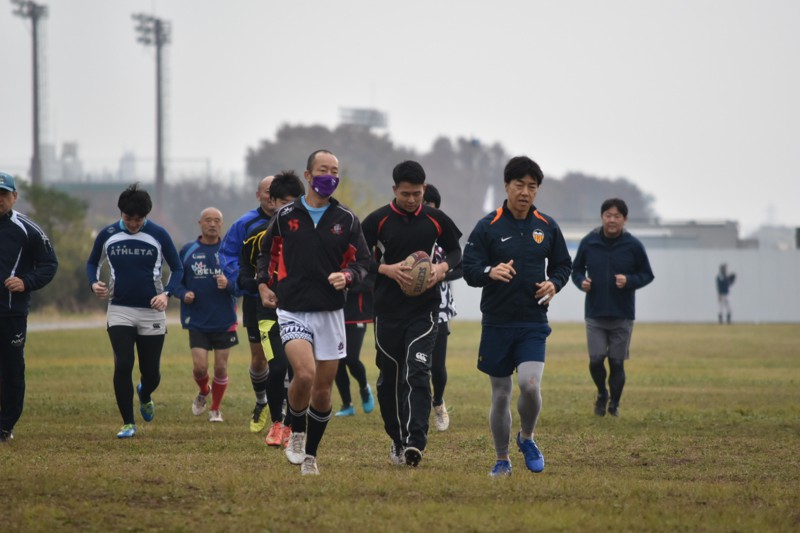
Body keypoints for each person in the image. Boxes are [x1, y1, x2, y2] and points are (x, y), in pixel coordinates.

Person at [256, 149, 371, 475]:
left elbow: (363, 264)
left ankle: (311, 455)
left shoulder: (346, 220)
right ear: (308, 176)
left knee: (322, 393)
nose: (330, 176)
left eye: (335, 170)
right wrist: (264, 285)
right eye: (323, 170)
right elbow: (266, 254)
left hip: (330, 313)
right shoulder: (285, 216)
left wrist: (348, 276)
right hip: (292, 310)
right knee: (303, 374)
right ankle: (296, 432)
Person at [463, 156, 572, 477]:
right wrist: (489, 270)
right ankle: (501, 459)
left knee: (529, 384)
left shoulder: (547, 226)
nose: (525, 192)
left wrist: (555, 283)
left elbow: (564, 266)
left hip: (532, 322)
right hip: (496, 322)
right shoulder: (488, 226)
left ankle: (527, 438)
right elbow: (469, 269)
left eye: (532, 187)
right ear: (507, 187)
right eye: (519, 185)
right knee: (500, 394)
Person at [361, 161, 462, 467]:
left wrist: (440, 269)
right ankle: (397, 438)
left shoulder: (435, 219)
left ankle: (415, 443)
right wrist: (385, 269)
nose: (412, 199)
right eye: (405, 194)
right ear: (394, 190)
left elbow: (457, 252)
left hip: (424, 311)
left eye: (417, 193)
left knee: (417, 372)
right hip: (388, 312)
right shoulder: (377, 221)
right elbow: (359, 259)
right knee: (390, 379)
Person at [87, 183, 183, 438]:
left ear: (146, 216)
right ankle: (128, 422)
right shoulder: (107, 234)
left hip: (152, 311)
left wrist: (167, 294)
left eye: (138, 220)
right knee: (123, 364)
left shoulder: (159, 234)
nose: (132, 224)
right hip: (119, 309)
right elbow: (92, 262)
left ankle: (145, 393)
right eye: (128, 218)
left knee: (151, 373)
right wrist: (94, 283)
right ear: (121, 213)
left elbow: (178, 268)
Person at [571, 198, 654, 418]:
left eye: (617, 216)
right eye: (608, 215)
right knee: (596, 359)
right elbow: (575, 270)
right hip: (595, 313)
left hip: (622, 314)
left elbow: (647, 274)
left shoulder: (633, 246)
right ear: (602, 217)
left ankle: (614, 404)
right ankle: (601, 393)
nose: (612, 220)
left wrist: (629, 280)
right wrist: (582, 282)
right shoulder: (589, 242)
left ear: (625, 220)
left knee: (617, 363)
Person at [239, 171, 304, 447]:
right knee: (276, 369)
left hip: (302, 311)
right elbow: (244, 274)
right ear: (272, 202)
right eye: (283, 202)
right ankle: (277, 424)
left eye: (294, 202)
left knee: (297, 372)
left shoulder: (309, 234)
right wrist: (261, 286)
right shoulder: (256, 235)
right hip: (267, 314)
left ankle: (292, 423)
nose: (288, 209)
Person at [0, 172, 58, 443]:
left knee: (12, 369)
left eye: (3, 194)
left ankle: (6, 425)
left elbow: (49, 265)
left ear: (14, 197)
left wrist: (25, 282)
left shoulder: (28, 230)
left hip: (11, 313)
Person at [219, 176, 275, 433]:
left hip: (291, 300)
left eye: (277, 193)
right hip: (255, 300)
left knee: (286, 355)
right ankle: (262, 400)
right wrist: (243, 282)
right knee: (260, 358)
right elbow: (227, 255)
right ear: (258, 195)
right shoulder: (245, 224)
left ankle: (283, 407)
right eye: (267, 192)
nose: (272, 197)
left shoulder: (297, 221)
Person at [174, 207, 238, 423]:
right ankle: (204, 390)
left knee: (220, 367)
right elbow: (175, 282)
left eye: (216, 220)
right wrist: (184, 294)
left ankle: (215, 409)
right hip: (197, 319)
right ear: (199, 223)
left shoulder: (229, 251)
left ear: (222, 224)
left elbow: (241, 285)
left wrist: (229, 284)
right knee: (200, 367)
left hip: (224, 319)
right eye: (208, 220)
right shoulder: (187, 250)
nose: (212, 224)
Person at [422, 183, 462, 432]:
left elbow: (462, 267)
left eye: (430, 206)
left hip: (440, 308)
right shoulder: (405, 234)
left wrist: (440, 274)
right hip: (410, 307)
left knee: (437, 366)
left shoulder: (443, 236)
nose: (425, 209)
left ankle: (438, 401)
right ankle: (419, 404)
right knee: (417, 365)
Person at [333, 274, 376, 418]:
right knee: (337, 361)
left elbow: (370, 279)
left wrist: (346, 283)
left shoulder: (361, 255)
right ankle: (347, 405)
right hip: (334, 314)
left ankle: (364, 388)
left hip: (357, 315)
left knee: (351, 358)